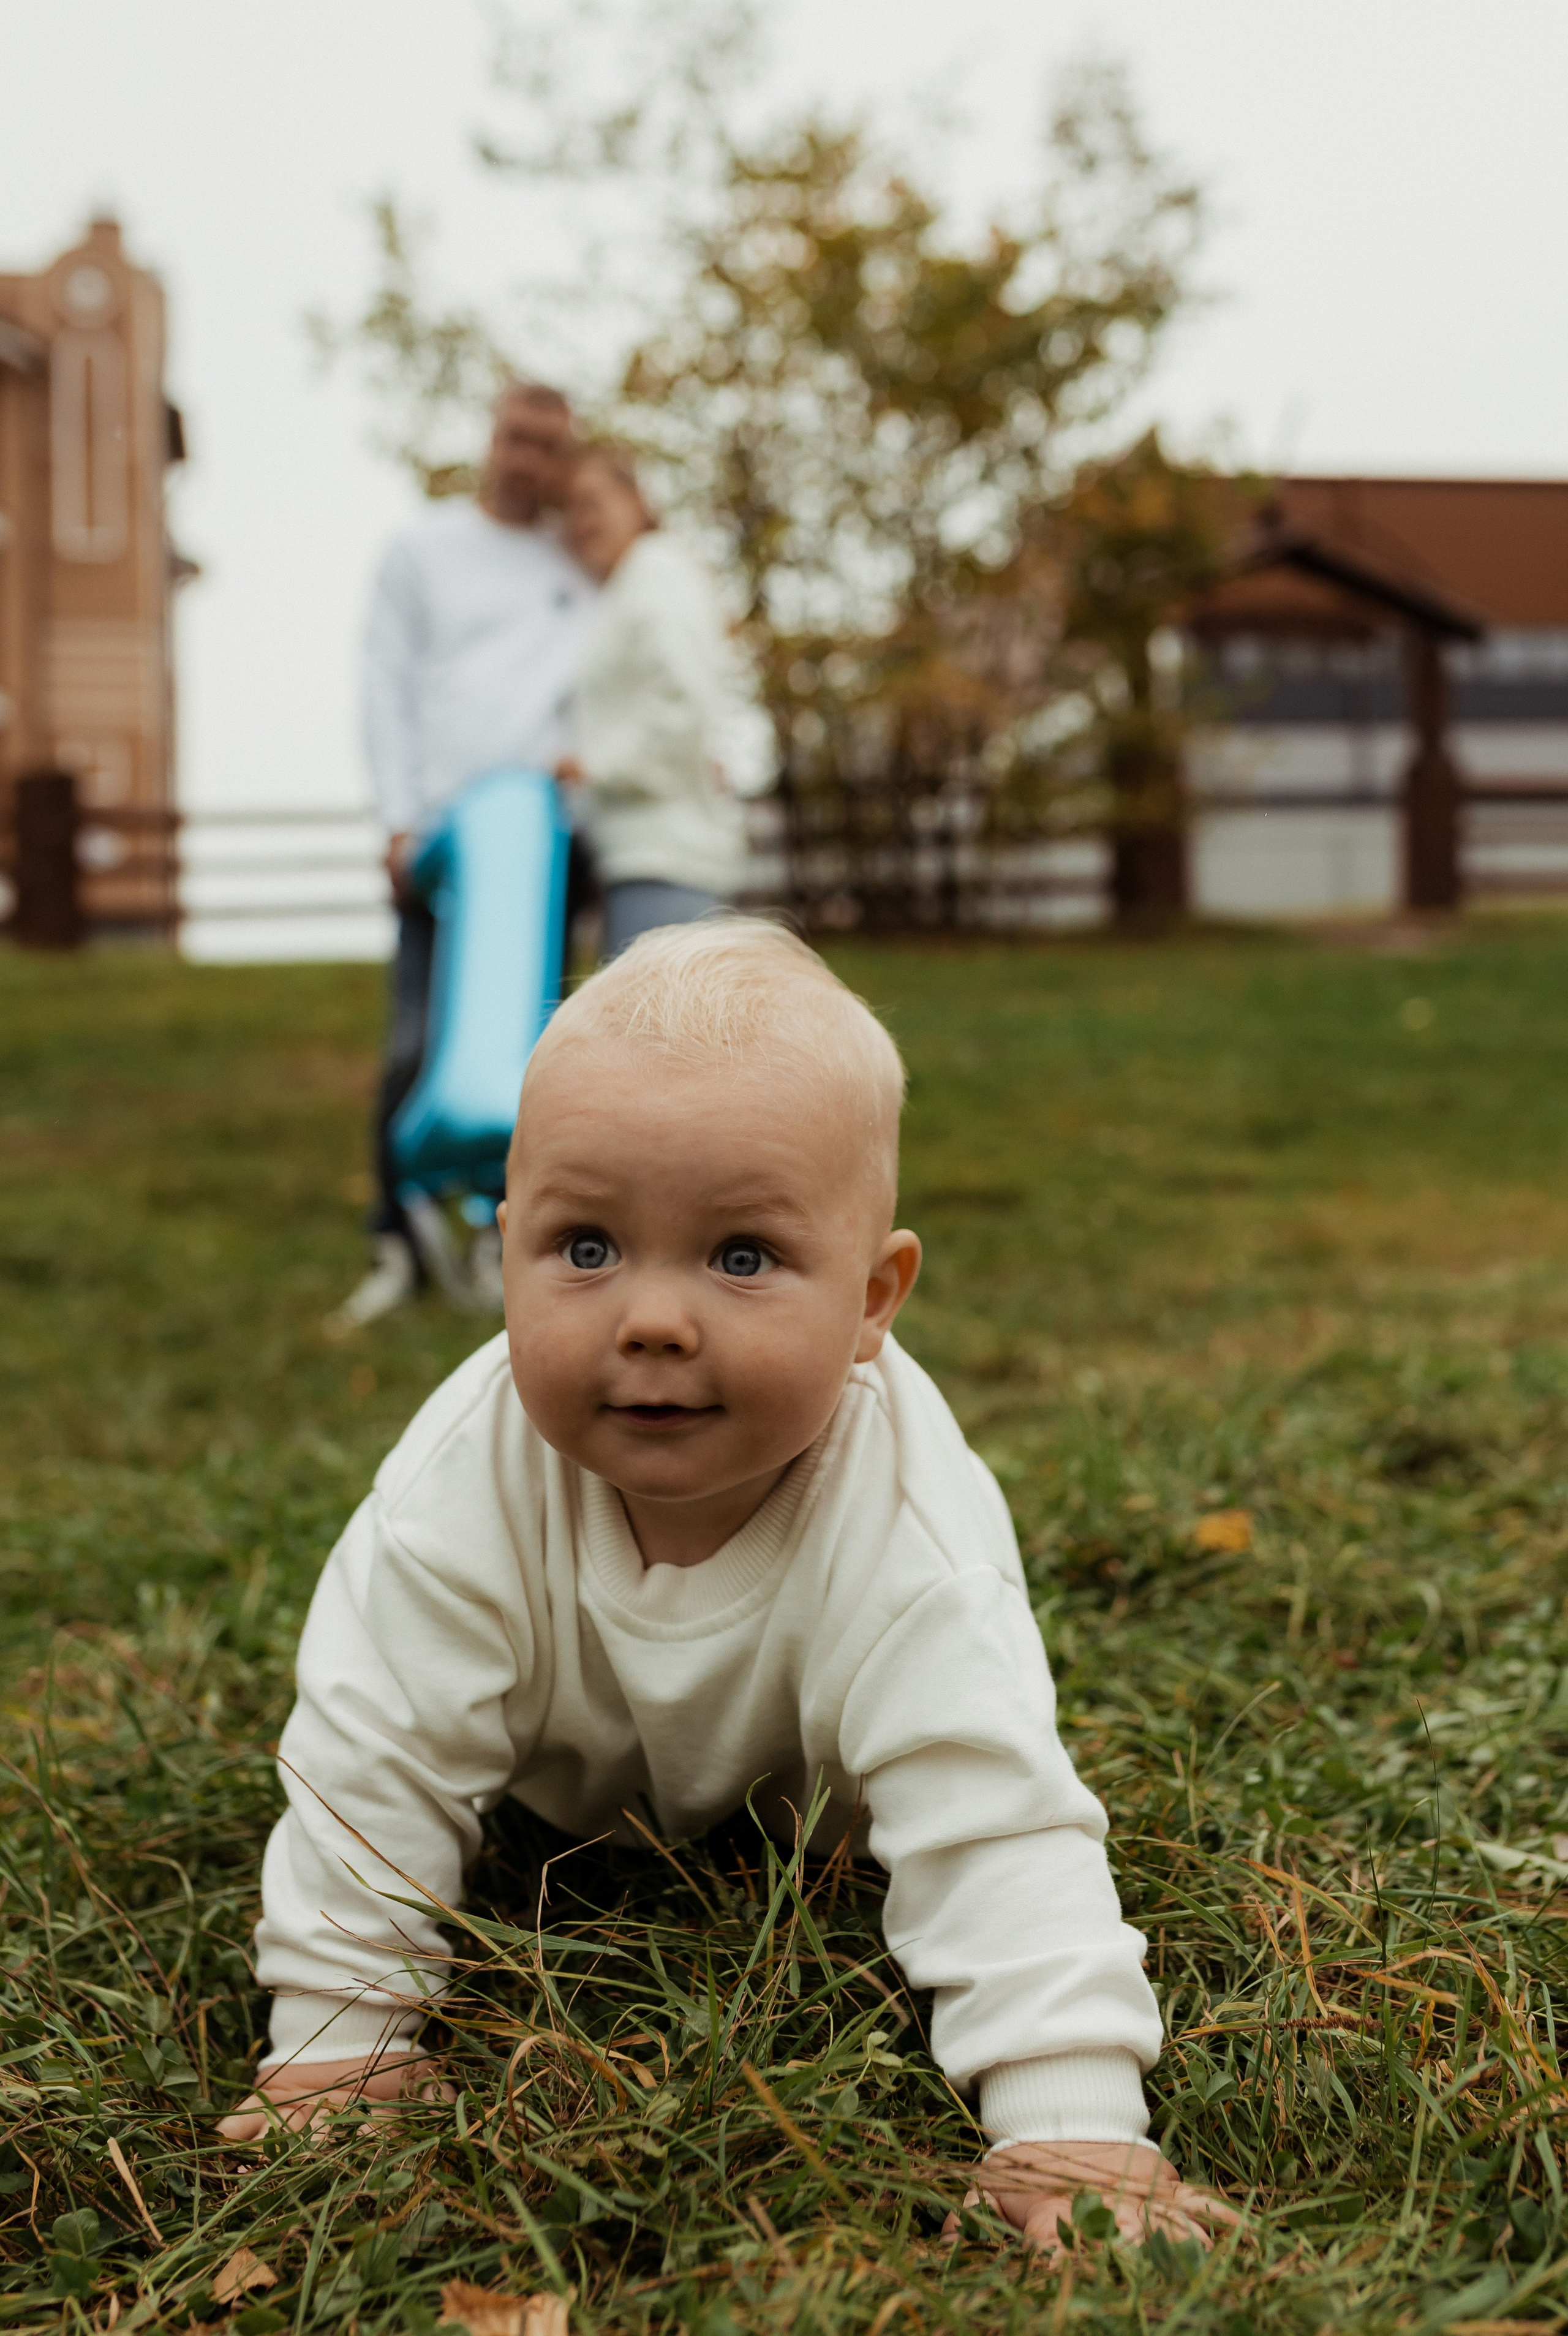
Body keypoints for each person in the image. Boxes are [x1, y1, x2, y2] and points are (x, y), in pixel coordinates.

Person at [221, 919, 1238, 2259]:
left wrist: (1071, 2123)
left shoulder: (909, 1531)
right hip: (555, 1800)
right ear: (503, 1243)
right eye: (583, 1246)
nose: (651, 1318)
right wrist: (338, 2044)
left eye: (742, 1256)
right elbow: (373, 1758)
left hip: (816, 1804)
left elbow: (996, 1821)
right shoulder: (458, 1492)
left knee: (950, 1779)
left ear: (873, 1299)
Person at [330, 382, 597, 1334]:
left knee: (536, 1052)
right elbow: (385, 681)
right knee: (414, 1041)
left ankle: (499, 1235)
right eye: (518, 438)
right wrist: (399, 820)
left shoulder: (575, 559)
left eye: (549, 446)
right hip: (444, 846)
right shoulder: (424, 551)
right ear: (492, 438)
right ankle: (397, 1239)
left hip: (542, 852)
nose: (529, 459)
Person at [557, 445, 775, 960]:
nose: (581, 520)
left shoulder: (656, 569)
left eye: (593, 501)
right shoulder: (629, 585)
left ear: (636, 498)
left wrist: (593, 768)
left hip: (665, 856)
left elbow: (683, 703)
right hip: (638, 855)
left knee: (659, 1038)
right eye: (569, 509)